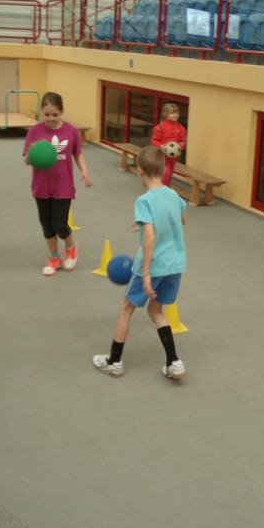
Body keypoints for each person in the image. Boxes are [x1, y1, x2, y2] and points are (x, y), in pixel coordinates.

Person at [92, 145, 187, 380]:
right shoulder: (173, 195)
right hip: (174, 265)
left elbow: (151, 237)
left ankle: (114, 362)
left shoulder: (143, 201)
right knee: (156, 311)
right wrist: (145, 224)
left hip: (153, 266)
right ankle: (174, 362)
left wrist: (145, 274)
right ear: (164, 170)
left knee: (126, 308)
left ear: (140, 171)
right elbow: (181, 219)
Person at [23, 91, 92, 276]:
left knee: (60, 223)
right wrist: (35, 151)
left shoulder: (71, 131)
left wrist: (84, 171)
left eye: (55, 114)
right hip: (41, 187)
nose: (51, 118)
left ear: (62, 111)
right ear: (41, 112)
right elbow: (26, 160)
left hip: (63, 185)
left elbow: (77, 153)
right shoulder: (34, 132)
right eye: (46, 114)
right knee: (46, 225)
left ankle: (70, 247)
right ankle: (54, 258)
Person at [150, 103, 186, 186]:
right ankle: (163, 188)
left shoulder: (181, 128)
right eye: (172, 113)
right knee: (167, 172)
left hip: (173, 156)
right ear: (165, 114)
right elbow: (154, 140)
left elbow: (182, 141)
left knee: (169, 173)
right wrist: (161, 146)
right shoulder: (160, 127)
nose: (175, 115)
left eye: (176, 113)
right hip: (162, 155)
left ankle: (164, 187)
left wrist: (179, 148)